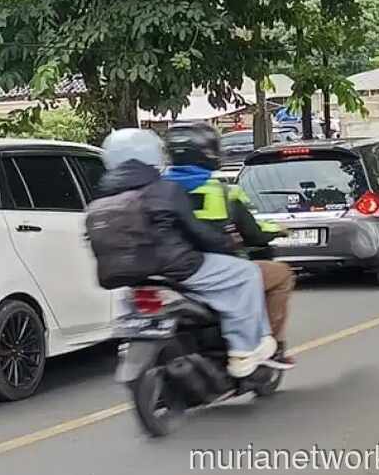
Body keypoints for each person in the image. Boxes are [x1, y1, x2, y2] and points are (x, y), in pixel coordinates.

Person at [91, 128, 277, 378]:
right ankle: (243, 351)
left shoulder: (100, 200)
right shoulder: (166, 189)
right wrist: (225, 244)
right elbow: (198, 233)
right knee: (247, 274)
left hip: (134, 277)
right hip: (179, 268)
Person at [163, 122, 296, 369]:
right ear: (209, 153)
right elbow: (254, 234)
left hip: (164, 271)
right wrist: (277, 230)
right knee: (282, 275)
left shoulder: (156, 188)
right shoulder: (223, 192)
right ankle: (268, 347)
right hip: (209, 270)